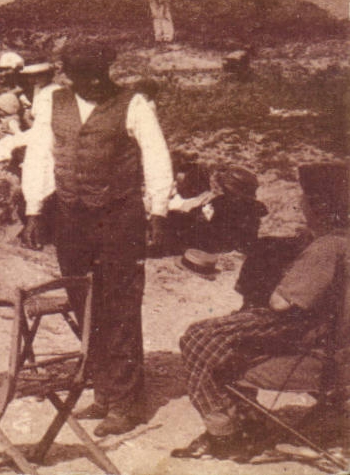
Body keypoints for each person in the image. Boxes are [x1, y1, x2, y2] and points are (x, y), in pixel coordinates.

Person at [21, 42, 174, 435]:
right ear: (68, 76)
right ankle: (104, 393)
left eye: (97, 75)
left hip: (119, 218)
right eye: (81, 76)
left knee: (120, 305)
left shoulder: (134, 104)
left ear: (108, 70)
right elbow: (39, 155)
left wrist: (158, 211)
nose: (91, 83)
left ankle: (127, 404)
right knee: (84, 303)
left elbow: (156, 157)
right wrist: (34, 210)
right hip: (70, 217)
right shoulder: (53, 102)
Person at [171, 162, 346, 461]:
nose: (299, 203)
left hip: (316, 350)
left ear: (320, 205)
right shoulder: (337, 241)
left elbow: (281, 303)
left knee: (199, 340)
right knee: (223, 337)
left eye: (305, 198)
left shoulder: (328, 248)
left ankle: (224, 433)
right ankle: (243, 424)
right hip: (329, 342)